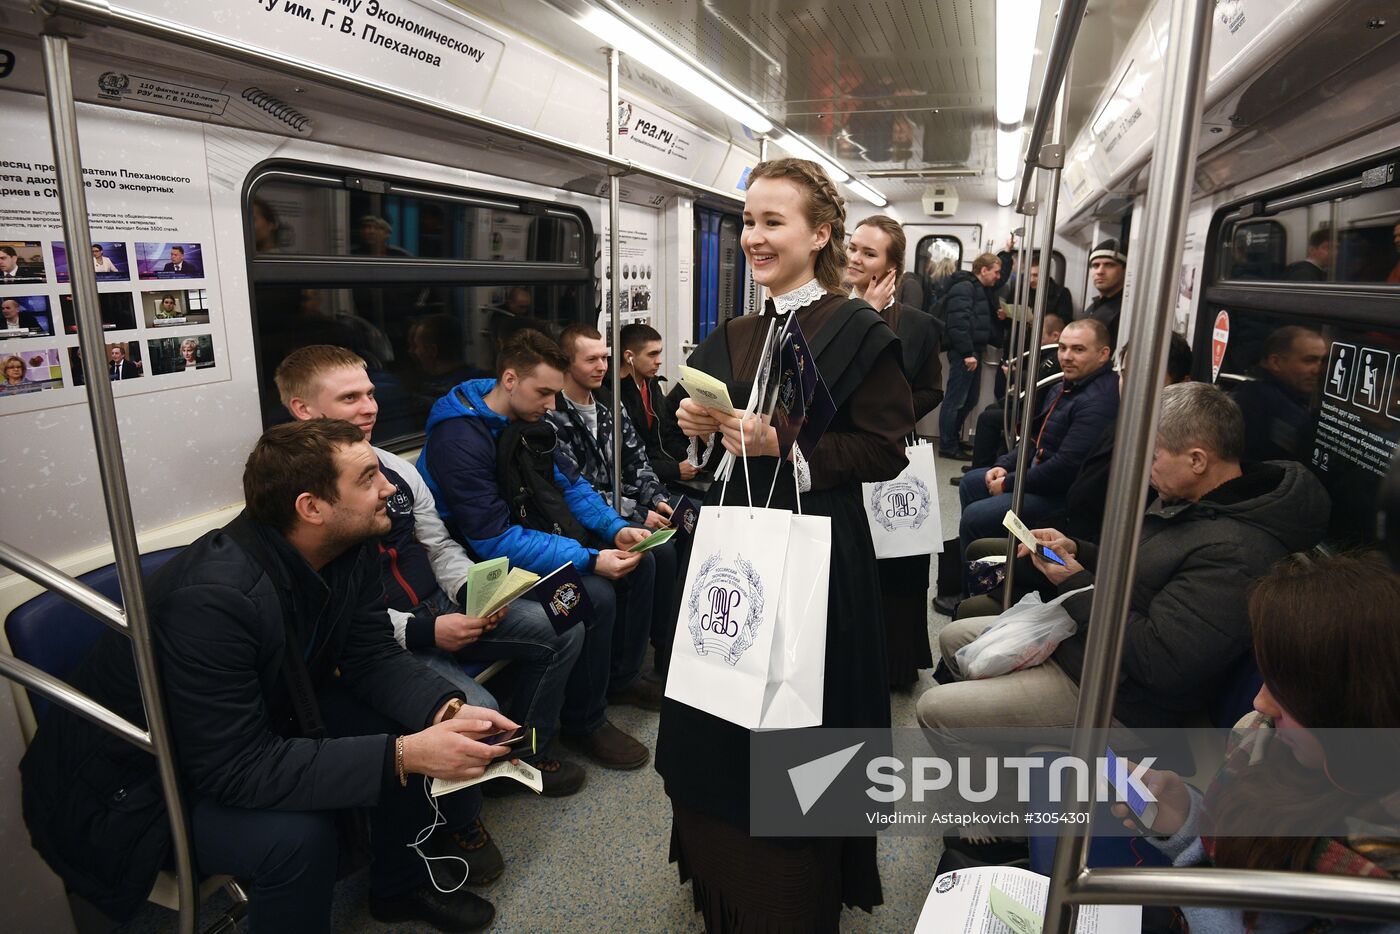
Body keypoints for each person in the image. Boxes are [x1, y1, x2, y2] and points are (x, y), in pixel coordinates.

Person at [20, 419, 520, 932]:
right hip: (132, 786)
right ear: (312, 508)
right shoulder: (214, 599)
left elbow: (372, 656)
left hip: (241, 726)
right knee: (297, 840)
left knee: (406, 725)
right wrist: (403, 754)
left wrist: (447, 709)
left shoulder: (349, 548)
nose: (390, 488)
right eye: (369, 478)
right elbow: (233, 766)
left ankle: (398, 888)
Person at [658, 157, 914, 929]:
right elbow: (689, 418)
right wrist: (694, 426)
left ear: (820, 234)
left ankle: (796, 893)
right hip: (732, 547)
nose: (754, 238)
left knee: (805, 716)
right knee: (719, 707)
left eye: (773, 222)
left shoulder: (857, 331)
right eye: (747, 222)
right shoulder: (734, 332)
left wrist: (784, 446)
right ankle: (723, 872)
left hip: (819, 554)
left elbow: (885, 450)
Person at [919, 382, 1330, 739]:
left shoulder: (1236, 553)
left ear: (1198, 460)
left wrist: (1075, 582)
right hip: (1092, 647)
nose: (1144, 469)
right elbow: (1145, 569)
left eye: (1153, 456)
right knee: (954, 640)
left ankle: (1004, 817)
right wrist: (1077, 549)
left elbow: (1159, 661)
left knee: (934, 709)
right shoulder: (1196, 503)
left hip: (1124, 700)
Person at [277, 345, 598, 790]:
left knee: (567, 623)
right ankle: (469, 797)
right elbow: (338, 616)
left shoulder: (394, 469)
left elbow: (437, 544)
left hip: (438, 602)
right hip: (390, 637)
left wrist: (473, 594)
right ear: (303, 409)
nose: (370, 407)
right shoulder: (295, 496)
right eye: (350, 398)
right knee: (478, 708)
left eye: (370, 394)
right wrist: (427, 631)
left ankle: (523, 756)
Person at [1113, 552, 1400, 934]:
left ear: (1356, 709)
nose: (1260, 702)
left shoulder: (1376, 881)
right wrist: (1183, 818)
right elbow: (1233, 860)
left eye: (1285, 691)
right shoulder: (1262, 738)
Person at [417, 330, 657, 768]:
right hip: (476, 567)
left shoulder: (529, 420)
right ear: (510, 379)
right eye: (544, 392)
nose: (551, 404)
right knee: (591, 597)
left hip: (519, 541)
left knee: (636, 568)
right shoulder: (460, 440)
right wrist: (587, 558)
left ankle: (596, 704)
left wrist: (615, 528)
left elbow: (571, 485)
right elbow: (492, 541)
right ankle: (570, 728)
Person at [939, 318, 1119, 612]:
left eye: (1078, 349)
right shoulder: (1068, 385)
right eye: (1062, 348)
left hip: (1059, 497)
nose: (1066, 356)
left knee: (975, 516)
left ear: (1103, 354)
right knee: (975, 481)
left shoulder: (1098, 401)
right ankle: (975, 574)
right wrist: (1004, 465)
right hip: (1040, 475)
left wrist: (1009, 483)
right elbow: (1037, 438)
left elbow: (1065, 468)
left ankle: (974, 595)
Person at [844, 214, 945, 689]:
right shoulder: (829, 313)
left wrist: (894, 410)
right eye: (852, 248)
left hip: (896, 454)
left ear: (892, 268)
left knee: (901, 566)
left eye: (869, 253)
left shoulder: (921, 326)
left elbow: (932, 390)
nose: (855, 259)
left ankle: (895, 663)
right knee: (852, 564)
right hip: (841, 454)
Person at [550, 323, 680, 685]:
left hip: (619, 508)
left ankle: (663, 651)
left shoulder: (609, 402)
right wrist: (637, 513)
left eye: (605, 358)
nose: (602, 366)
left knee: (678, 534)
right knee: (649, 561)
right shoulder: (553, 415)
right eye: (591, 359)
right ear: (567, 362)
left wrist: (656, 499)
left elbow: (638, 461)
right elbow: (577, 489)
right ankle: (626, 674)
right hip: (585, 520)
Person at [613, 322, 703, 497]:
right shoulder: (615, 394)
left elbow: (664, 434)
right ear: (629, 357)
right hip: (635, 483)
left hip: (661, 471)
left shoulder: (652, 385)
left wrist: (692, 459)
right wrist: (674, 470)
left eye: (659, 353)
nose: (659, 361)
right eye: (652, 354)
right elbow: (625, 458)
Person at [968, 311, 1066, 470]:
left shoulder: (1054, 359)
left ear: (1055, 336)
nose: (1037, 341)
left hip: (1036, 411)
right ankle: (986, 462)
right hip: (1031, 403)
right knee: (993, 408)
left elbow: (1040, 384)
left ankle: (980, 467)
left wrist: (1015, 376)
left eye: (1040, 337)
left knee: (987, 418)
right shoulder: (1046, 355)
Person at [1231, 325, 1327, 463]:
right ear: (1276, 362)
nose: (1317, 370)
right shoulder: (1259, 400)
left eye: (1322, 361)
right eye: (1309, 360)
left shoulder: (1293, 397)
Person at [938, 252, 1000, 459]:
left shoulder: (979, 289)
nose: (998, 277)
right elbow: (958, 322)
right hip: (965, 352)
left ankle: (953, 439)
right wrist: (966, 353)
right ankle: (947, 445)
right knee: (955, 400)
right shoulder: (964, 287)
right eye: (996, 272)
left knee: (970, 399)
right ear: (984, 270)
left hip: (974, 350)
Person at [1076, 239, 1127, 348]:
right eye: (1095, 265)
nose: (1100, 271)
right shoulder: (1094, 307)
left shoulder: (1126, 310)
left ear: (1125, 269)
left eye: (1109, 265)